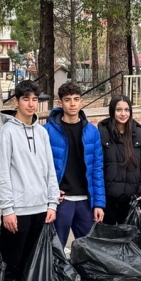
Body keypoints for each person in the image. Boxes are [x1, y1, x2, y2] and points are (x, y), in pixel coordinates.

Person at [0, 80, 59, 281]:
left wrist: (52, 203)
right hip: (18, 211)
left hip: (41, 208)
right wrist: (7, 209)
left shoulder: (42, 133)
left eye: (34, 99)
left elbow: (50, 170)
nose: (31, 104)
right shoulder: (7, 133)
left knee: (30, 265)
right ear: (16, 102)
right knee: (10, 265)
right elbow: (1, 173)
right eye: (26, 99)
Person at [44, 81, 105, 245]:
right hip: (61, 200)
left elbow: (97, 170)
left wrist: (99, 203)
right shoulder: (47, 131)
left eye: (76, 99)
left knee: (90, 251)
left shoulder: (92, 131)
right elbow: (41, 168)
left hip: (86, 200)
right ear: (60, 103)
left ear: (81, 102)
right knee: (55, 249)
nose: (72, 104)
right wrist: (50, 194)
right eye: (68, 99)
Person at [97, 95, 141, 225]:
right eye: (119, 110)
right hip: (108, 202)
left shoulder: (138, 135)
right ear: (112, 111)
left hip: (130, 202)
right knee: (108, 242)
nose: (123, 114)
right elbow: (97, 168)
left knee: (129, 242)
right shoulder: (102, 135)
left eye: (126, 110)